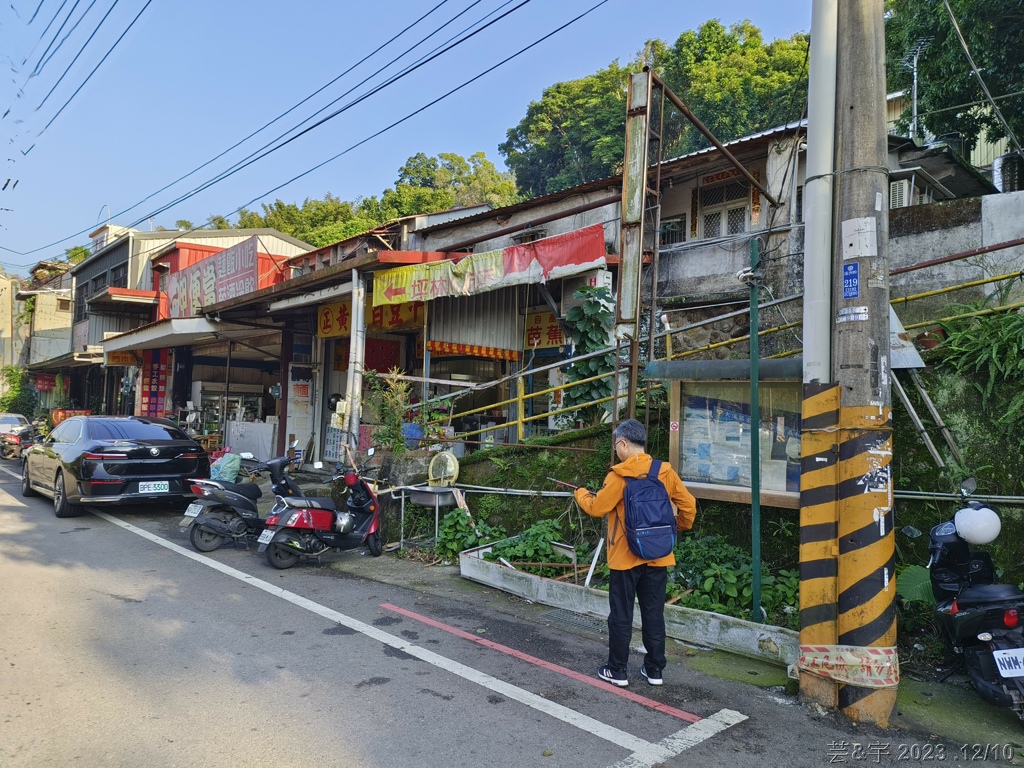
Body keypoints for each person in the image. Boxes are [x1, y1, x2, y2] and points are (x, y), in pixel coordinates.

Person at [574, 418, 697, 687]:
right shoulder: (664, 471)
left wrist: (581, 494)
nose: (617, 451)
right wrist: (677, 527)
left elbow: (597, 508)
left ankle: (617, 671)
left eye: (617, 446)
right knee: (654, 613)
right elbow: (689, 505)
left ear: (624, 444)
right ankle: (654, 670)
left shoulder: (618, 476)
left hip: (624, 558)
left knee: (621, 614)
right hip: (658, 555)